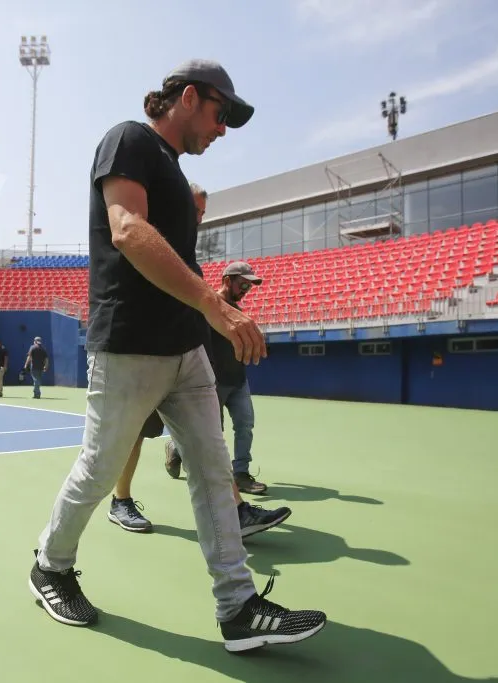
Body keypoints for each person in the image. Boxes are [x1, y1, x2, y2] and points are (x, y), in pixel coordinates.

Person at [28, 59, 326, 652]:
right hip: (129, 347)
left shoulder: (178, 177)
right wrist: (217, 307)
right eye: (220, 116)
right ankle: (51, 566)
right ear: (187, 98)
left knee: (214, 471)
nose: (222, 131)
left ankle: (238, 607)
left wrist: (212, 307)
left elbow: (178, 263)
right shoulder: (128, 140)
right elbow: (127, 230)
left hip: (184, 349)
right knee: (98, 468)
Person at [107, 183, 289, 536]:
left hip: (182, 361)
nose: (199, 219)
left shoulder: (187, 255)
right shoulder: (148, 241)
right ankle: (119, 500)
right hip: (144, 355)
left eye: (203, 213)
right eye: (196, 211)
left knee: (209, 435)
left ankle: (233, 512)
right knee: (126, 440)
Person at [164, 260, 269, 495]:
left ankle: (240, 473)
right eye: (243, 284)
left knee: (245, 425)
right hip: (213, 382)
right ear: (226, 281)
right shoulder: (208, 307)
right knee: (211, 432)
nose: (246, 290)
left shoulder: (237, 312)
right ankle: (177, 448)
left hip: (239, 381)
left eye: (249, 286)